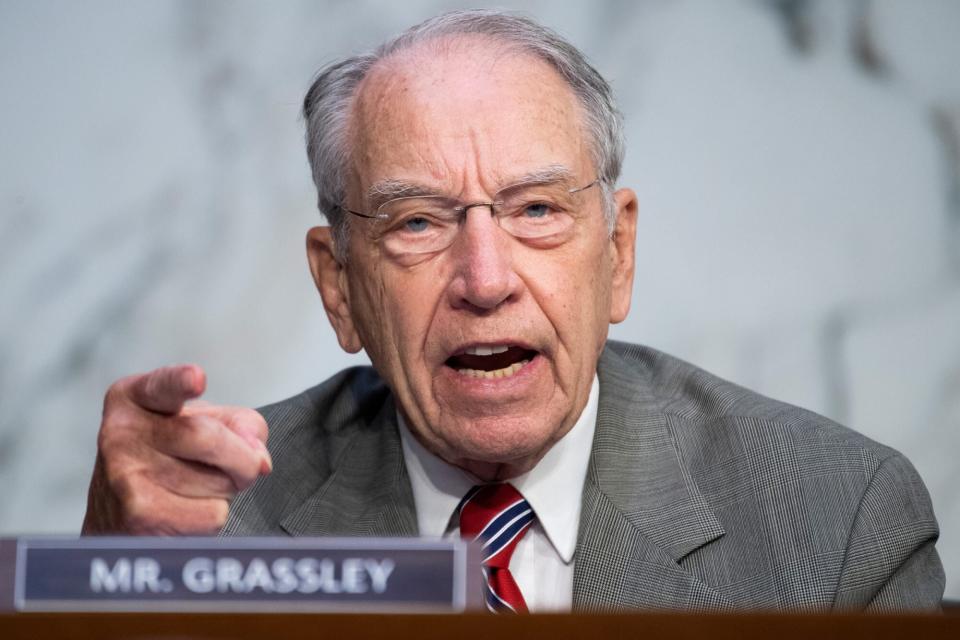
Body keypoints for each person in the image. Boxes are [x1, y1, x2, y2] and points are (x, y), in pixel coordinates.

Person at [82, 9, 945, 612]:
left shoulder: (839, 520)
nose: (485, 278)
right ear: (338, 285)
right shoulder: (213, 527)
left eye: (535, 209)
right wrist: (109, 577)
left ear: (617, 254)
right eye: (417, 222)